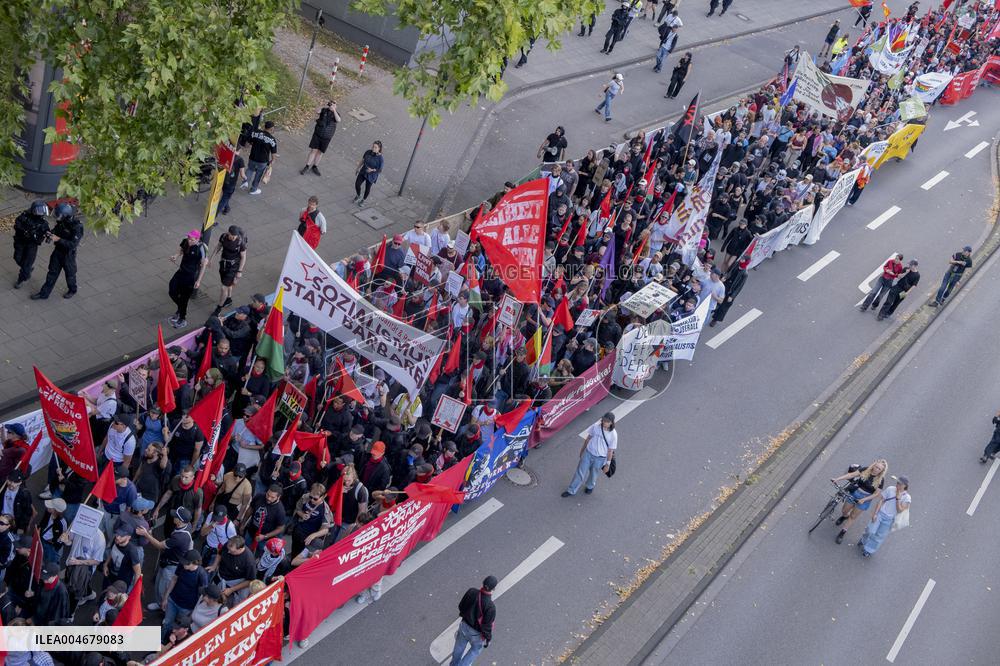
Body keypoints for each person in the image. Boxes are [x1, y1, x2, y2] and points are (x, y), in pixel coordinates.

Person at [30, 202, 83, 300]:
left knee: (70, 275)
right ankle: (44, 294)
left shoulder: (77, 227)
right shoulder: (62, 222)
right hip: (58, 252)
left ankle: (72, 290)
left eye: (58, 215)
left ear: (65, 215)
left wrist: (58, 239)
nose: (56, 217)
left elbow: (72, 244)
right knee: (52, 273)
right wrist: (50, 234)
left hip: (68, 256)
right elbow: (56, 229)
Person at [830, 459, 887, 544]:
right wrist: (838, 479)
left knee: (853, 516)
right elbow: (852, 474)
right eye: (876, 466)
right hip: (855, 493)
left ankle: (842, 532)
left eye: (879, 469)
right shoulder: (866, 469)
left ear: (882, 471)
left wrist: (864, 499)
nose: (876, 469)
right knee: (844, 510)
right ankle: (845, 516)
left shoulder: (880, 480)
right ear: (874, 464)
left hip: (865, 499)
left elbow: (876, 494)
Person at [562, 412, 617, 497]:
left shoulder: (613, 434)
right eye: (603, 420)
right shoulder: (596, 426)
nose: (604, 422)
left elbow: (610, 451)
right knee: (579, 472)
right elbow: (588, 438)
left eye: (606, 421)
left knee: (593, 474)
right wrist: (582, 450)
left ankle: (590, 486)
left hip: (600, 458)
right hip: (588, 453)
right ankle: (571, 490)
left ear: (611, 423)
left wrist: (607, 464)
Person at [858, 475, 910, 558]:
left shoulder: (907, 498)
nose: (897, 485)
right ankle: (863, 540)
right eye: (897, 483)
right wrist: (875, 514)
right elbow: (881, 500)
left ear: (905, 486)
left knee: (878, 536)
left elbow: (900, 510)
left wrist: (898, 499)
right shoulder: (890, 489)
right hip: (880, 514)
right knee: (870, 530)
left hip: (890, 519)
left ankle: (868, 550)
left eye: (900, 484)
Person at [451, 575, 497, 666]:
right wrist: (488, 639)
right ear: (493, 589)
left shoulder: (471, 591)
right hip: (476, 634)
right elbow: (486, 627)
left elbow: (461, 606)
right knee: (475, 651)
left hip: (464, 626)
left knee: (458, 648)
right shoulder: (491, 607)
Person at [168, 230, 208, 329]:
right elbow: (182, 249)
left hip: (190, 277)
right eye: (189, 238)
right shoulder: (186, 241)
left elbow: (203, 266)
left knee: (184, 299)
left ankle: (182, 318)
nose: (189, 241)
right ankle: (180, 309)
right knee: (172, 291)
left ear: (197, 239)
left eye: (192, 239)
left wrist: (198, 281)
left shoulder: (201, 249)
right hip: (181, 272)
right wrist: (175, 256)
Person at [12, 200, 50, 289]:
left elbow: (46, 231)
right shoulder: (24, 216)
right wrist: (24, 231)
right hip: (20, 241)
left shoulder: (43, 222)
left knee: (27, 264)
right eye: (40, 212)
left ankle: (21, 278)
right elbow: (17, 225)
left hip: (32, 245)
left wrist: (48, 235)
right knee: (17, 258)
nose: (41, 214)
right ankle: (27, 269)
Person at [211, 226, 247, 314]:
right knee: (227, 284)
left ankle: (219, 308)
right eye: (232, 236)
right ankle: (229, 299)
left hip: (233, 267)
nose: (233, 238)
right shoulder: (223, 237)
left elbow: (243, 257)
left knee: (224, 288)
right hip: (223, 264)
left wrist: (239, 271)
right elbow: (218, 246)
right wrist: (211, 259)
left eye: (235, 236)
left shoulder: (240, 243)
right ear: (228, 233)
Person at [301, 101, 341, 176]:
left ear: (336, 106)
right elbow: (317, 111)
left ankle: (315, 166)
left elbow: (338, 120)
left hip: (327, 137)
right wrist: (323, 104)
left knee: (320, 152)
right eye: (330, 104)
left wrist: (334, 110)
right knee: (313, 150)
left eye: (333, 105)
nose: (331, 106)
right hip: (317, 134)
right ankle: (307, 166)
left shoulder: (336, 114)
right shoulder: (324, 110)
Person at [243, 109, 278, 195]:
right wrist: (271, 163)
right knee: (258, 174)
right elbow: (274, 155)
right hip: (262, 161)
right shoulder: (272, 140)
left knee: (250, 169)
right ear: (271, 129)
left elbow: (248, 142)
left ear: (264, 127)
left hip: (253, 157)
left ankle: (245, 181)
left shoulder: (256, 133)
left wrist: (247, 146)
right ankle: (253, 189)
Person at [353, 141, 384, 206]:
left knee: (367, 188)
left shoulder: (380, 159)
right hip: (364, 171)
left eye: (375, 147)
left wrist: (372, 170)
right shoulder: (368, 152)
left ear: (379, 149)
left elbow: (380, 170)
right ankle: (358, 195)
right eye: (373, 146)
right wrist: (358, 168)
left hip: (372, 175)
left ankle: (363, 200)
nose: (373, 148)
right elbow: (363, 160)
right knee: (357, 184)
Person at [217, 148, 245, 216]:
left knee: (225, 195)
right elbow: (242, 174)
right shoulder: (240, 160)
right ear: (239, 150)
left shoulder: (227, 155)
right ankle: (214, 215)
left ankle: (227, 208)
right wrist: (246, 179)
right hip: (231, 183)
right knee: (225, 198)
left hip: (224, 180)